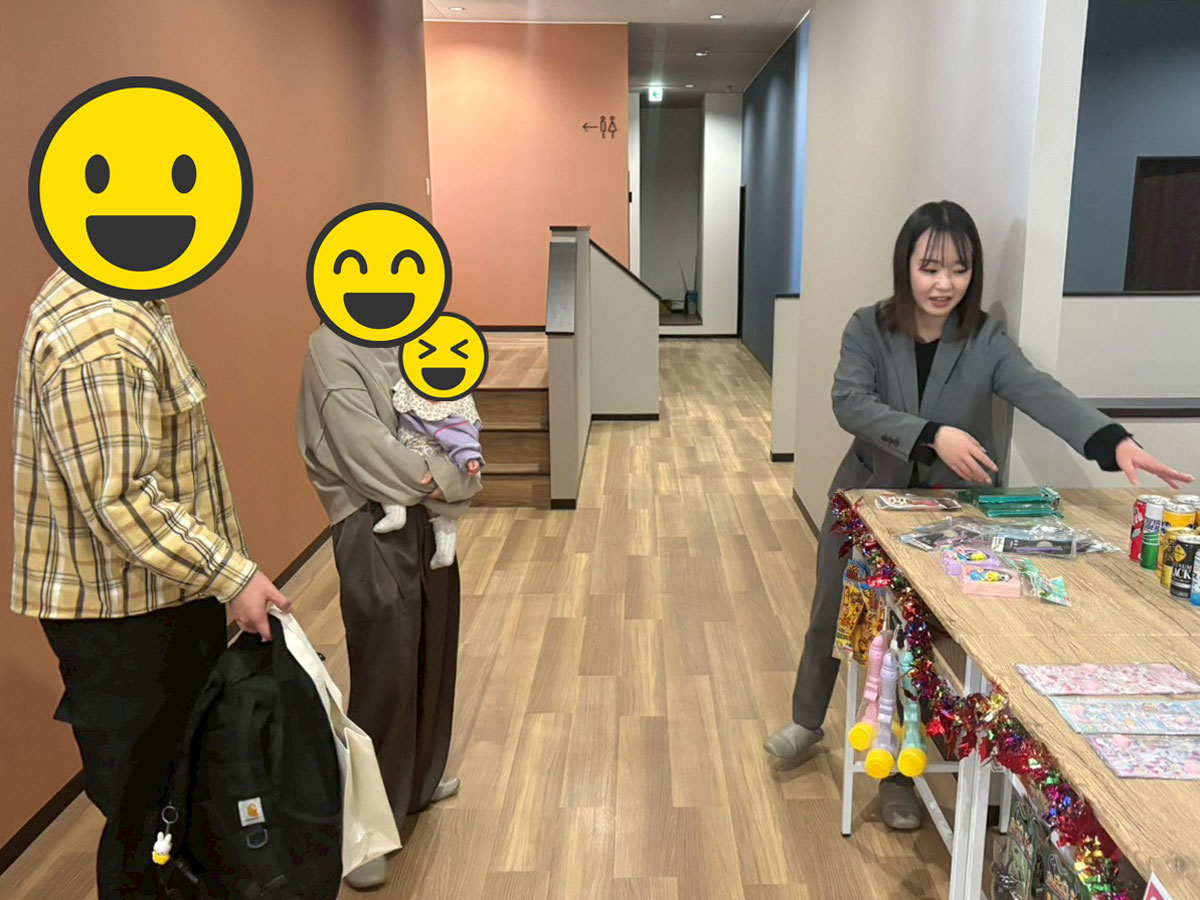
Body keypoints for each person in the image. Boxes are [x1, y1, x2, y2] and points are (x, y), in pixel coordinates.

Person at [763, 201, 1192, 829]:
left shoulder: (984, 339)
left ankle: (898, 775)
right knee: (830, 613)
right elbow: (849, 403)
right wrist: (932, 434)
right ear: (905, 266)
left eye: (959, 269)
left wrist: (1113, 442)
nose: (944, 283)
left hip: (945, 518)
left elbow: (1040, 391)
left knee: (911, 642)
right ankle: (807, 720)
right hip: (866, 497)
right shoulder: (868, 327)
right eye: (930, 267)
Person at [12, 269, 292, 900]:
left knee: (174, 799)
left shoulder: (128, 299)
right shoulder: (102, 332)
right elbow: (121, 500)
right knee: (149, 818)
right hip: (129, 620)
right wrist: (232, 574)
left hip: (157, 600)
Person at [296, 323, 481, 888]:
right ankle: (367, 831)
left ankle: (417, 782)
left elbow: (455, 407)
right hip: (368, 520)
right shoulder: (331, 347)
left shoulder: (418, 333)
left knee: (433, 647)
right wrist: (451, 480)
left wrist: (457, 471)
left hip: (429, 518)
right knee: (387, 667)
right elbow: (367, 454)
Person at [373, 374, 484, 570]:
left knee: (393, 479)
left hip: (428, 458)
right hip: (413, 454)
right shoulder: (410, 396)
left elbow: (462, 439)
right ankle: (397, 512)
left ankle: (396, 511)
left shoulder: (447, 416)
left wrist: (469, 458)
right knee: (388, 472)